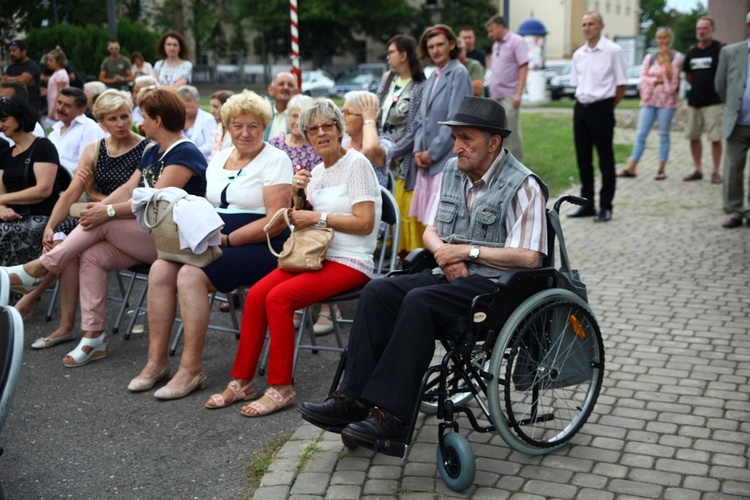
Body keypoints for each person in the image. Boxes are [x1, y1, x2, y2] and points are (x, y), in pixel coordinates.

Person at [298, 96, 548, 444]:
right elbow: (431, 230)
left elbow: (530, 257)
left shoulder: (523, 185)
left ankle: (392, 416)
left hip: (496, 287)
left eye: (466, 139)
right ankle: (352, 399)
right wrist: (443, 251)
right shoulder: (452, 171)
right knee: (379, 291)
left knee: (419, 302)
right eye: (455, 138)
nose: (456, 147)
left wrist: (464, 251)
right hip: (449, 272)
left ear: (493, 143)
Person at [0, 88, 207, 368]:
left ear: (158, 121)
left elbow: (153, 202)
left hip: (175, 241)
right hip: (149, 236)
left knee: (102, 227)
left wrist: (105, 211)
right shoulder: (155, 151)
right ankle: (93, 336)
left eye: (141, 117)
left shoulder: (184, 153)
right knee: (92, 255)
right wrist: (102, 208)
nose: (137, 123)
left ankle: (38, 269)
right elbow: (128, 188)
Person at [206, 97, 381, 416]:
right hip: (315, 256)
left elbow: (365, 222)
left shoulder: (356, 164)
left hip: (350, 261)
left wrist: (317, 217)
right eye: (313, 129)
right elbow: (302, 222)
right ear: (307, 135)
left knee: (279, 298)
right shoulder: (315, 170)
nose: (321, 133)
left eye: (328, 126)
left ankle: (281, 387)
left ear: (340, 129)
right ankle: (242, 380)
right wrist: (299, 197)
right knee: (258, 293)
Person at [128, 90, 293, 400]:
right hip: (215, 242)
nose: (245, 133)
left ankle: (191, 369)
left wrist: (228, 239)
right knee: (162, 268)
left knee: (190, 275)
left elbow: (277, 221)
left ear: (265, 127)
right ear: (227, 126)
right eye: (238, 125)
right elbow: (206, 202)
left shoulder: (276, 160)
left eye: (254, 125)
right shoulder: (219, 157)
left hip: (262, 248)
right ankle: (157, 362)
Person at [15, 90, 148, 346]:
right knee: (59, 238)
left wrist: (95, 194)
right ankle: (66, 325)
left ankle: (33, 292)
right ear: (101, 122)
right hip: (94, 219)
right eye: (112, 119)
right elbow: (69, 195)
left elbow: (134, 200)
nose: (120, 124)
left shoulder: (145, 149)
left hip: (122, 220)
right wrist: (50, 225)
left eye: (124, 116)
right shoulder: (95, 149)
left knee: (72, 242)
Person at [412, 25, 472, 249]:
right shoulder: (432, 76)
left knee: (441, 222)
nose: (435, 50)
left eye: (439, 45)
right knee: (428, 222)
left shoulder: (458, 73)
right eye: (431, 47)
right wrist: (418, 150)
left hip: (444, 157)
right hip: (426, 161)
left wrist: (432, 152)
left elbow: (454, 119)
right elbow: (422, 117)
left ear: (451, 45)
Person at [567, 11, 627, 223]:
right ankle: (587, 204)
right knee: (583, 159)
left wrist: (608, 107)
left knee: (605, 159)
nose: (586, 28)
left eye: (591, 24)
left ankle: (606, 206)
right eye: (584, 24)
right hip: (581, 109)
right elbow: (577, 83)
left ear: (601, 26)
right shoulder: (579, 54)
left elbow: (621, 85)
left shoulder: (613, 51)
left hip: (602, 108)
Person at [377, 34, 425, 255]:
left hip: (402, 162)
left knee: (404, 211)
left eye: (391, 53)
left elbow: (415, 129)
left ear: (404, 55)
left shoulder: (420, 86)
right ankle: (387, 249)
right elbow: (376, 112)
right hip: (382, 158)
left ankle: (407, 256)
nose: (388, 57)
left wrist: (392, 152)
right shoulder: (388, 80)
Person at [0, 96, 62, 266]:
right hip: (10, 217)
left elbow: (43, 190)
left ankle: (13, 289)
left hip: (38, 216)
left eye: (4, 119)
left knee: (4, 232)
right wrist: (2, 208)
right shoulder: (5, 154)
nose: (0, 125)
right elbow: (0, 190)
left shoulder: (43, 147)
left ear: (20, 117)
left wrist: (2, 201)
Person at [618, 28, 683, 180]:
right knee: (641, 134)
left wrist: (666, 59)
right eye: (659, 38)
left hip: (667, 103)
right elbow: (643, 79)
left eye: (665, 38)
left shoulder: (676, 57)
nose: (662, 41)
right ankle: (632, 166)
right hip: (649, 101)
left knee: (664, 135)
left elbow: (672, 78)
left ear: (670, 39)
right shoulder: (650, 58)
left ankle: (661, 169)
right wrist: (657, 80)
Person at [714, 12, 750, 229]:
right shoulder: (730, 52)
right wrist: (734, 105)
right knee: (733, 169)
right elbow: (720, 85)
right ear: (748, 26)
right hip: (738, 123)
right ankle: (736, 211)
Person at [682, 17, 724, 184]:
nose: (701, 31)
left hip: (714, 102)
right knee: (694, 136)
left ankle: (715, 171)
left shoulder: (720, 49)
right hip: (694, 102)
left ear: (712, 29)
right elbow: (688, 75)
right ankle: (697, 169)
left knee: (715, 137)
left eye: (705, 28)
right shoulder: (692, 51)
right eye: (699, 28)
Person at [486, 15, 528, 162]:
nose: (489, 35)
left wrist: (518, 93)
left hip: (510, 95)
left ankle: (517, 166)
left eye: (491, 31)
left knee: (512, 132)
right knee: (498, 133)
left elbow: (524, 67)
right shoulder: (496, 44)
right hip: (496, 95)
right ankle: (502, 164)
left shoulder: (516, 41)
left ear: (499, 27)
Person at [48, 87, 107, 176]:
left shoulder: (89, 129)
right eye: (59, 103)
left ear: (81, 110)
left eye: (67, 106)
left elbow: (87, 168)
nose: (60, 108)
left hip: (71, 184)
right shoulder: (55, 130)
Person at [268, 94, 321, 173]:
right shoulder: (274, 144)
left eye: (303, 117)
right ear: (288, 117)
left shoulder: (317, 148)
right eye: (295, 116)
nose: (298, 122)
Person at [1, 40, 41, 115]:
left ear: (24, 51)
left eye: (14, 50)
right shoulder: (11, 67)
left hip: (30, 108)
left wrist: (8, 79)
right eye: (10, 51)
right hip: (14, 109)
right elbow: (3, 83)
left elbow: (22, 80)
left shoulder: (32, 66)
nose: (11, 53)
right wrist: (15, 80)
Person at [177, 85, 215, 160]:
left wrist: (189, 152)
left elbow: (211, 145)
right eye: (182, 101)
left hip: (200, 160)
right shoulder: (175, 118)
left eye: (188, 100)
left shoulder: (208, 119)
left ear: (198, 103)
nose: (185, 104)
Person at [263, 72, 298, 141]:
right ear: (271, 89)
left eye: (290, 85)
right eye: (281, 84)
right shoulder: (262, 114)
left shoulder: (302, 116)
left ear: (296, 91)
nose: (286, 87)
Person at [44, 47, 70, 123]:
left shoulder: (61, 74)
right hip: (52, 105)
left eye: (51, 61)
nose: (48, 62)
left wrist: (55, 111)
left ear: (59, 62)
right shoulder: (56, 73)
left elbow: (60, 93)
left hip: (56, 108)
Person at [208, 90, 234, 161]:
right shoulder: (216, 129)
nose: (212, 111)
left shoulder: (237, 130)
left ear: (227, 107)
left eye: (215, 107)